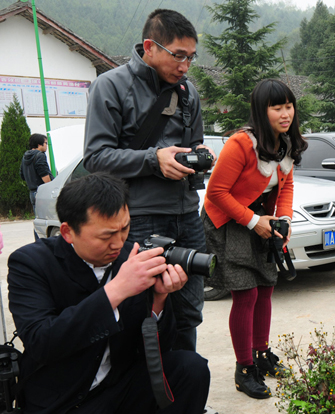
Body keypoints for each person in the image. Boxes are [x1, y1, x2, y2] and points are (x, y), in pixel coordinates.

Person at [7, 172, 210, 414]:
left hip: (117, 386)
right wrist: (116, 289)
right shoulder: (31, 263)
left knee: (190, 368)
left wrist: (158, 299)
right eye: (106, 236)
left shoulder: (128, 256)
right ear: (68, 232)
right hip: (64, 398)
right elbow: (42, 342)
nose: (118, 242)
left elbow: (159, 349)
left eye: (124, 228)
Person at [83, 9, 214, 352]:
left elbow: (194, 144)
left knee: (188, 312)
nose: (185, 66)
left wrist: (200, 155)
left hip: (187, 216)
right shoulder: (110, 86)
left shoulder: (188, 92)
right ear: (150, 47)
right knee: (139, 311)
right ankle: (142, 383)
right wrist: (154, 160)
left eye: (191, 57)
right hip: (139, 219)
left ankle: (184, 381)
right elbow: (95, 158)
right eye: (178, 55)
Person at [202, 79, 307, 399]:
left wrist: (284, 220)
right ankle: (244, 368)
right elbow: (215, 193)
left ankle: (261, 354)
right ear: (262, 111)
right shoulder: (241, 144)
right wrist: (252, 221)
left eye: (289, 106)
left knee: (266, 288)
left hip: (262, 218)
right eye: (277, 108)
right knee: (246, 294)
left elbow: (286, 186)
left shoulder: (286, 143)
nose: (285, 114)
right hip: (229, 220)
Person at [20, 133, 53, 211]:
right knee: (46, 216)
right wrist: (51, 188)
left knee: (38, 216)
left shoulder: (25, 156)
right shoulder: (40, 156)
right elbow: (44, 175)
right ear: (39, 144)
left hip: (32, 192)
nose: (46, 145)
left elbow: (22, 175)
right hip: (42, 192)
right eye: (45, 143)